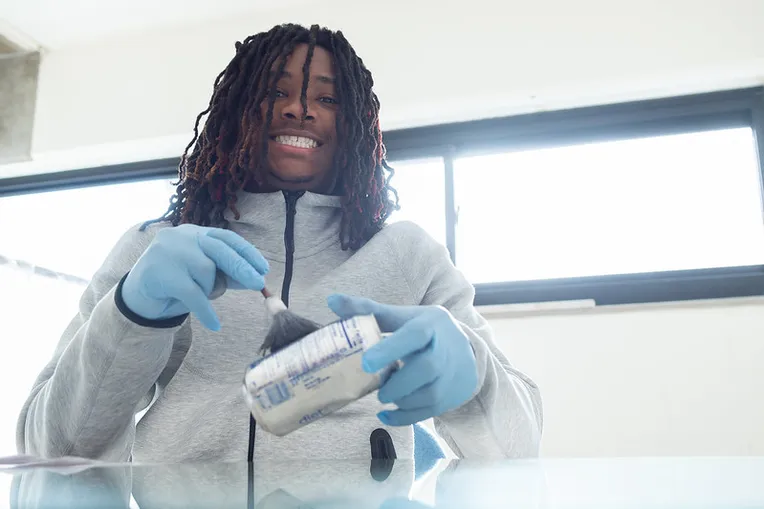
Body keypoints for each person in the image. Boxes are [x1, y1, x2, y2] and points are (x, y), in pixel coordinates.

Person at [16, 23, 542, 463]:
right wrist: (134, 311)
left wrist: (474, 374)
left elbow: (520, 449)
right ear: (237, 109)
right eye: (275, 91)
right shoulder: (155, 250)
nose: (299, 109)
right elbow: (51, 448)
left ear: (356, 123)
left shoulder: (410, 257)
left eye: (327, 97)